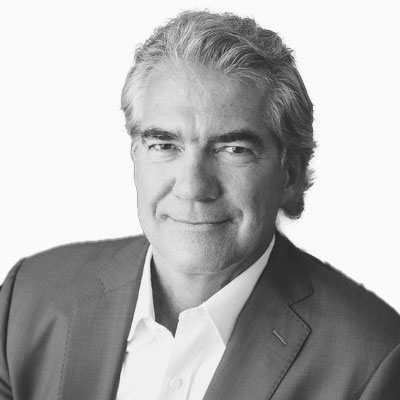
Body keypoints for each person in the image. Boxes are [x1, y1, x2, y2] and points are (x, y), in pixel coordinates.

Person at [1, 10, 399, 400]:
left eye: (233, 149)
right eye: (164, 145)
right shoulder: (27, 298)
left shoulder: (371, 363)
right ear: (135, 156)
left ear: (291, 174)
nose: (193, 187)